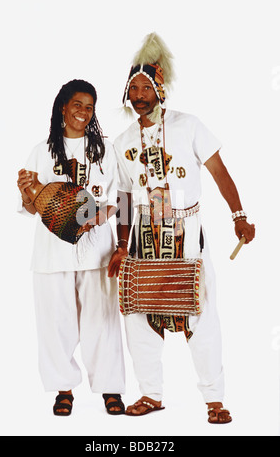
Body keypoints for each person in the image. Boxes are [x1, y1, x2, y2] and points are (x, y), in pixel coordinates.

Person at [108, 33, 255, 423]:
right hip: (143, 238)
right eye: (133, 87)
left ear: (159, 89)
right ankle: (151, 395)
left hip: (187, 233)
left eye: (146, 87)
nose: (139, 94)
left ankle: (214, 399)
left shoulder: (189, 126)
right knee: (138, 315)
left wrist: (238, 216)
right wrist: (122, 246)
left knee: (201, 313)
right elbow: (122, 199)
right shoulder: (123, 142)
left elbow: (220, 173)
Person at [17, 79, 125, 416]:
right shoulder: (42, 151)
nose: (82, 111)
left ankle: (110, 389)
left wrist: (96, 218)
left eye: (89, 106)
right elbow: (34, 208)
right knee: (54, 322)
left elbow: (119, 198)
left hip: (97, 250)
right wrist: (26, 192)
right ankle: (63, 389)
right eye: (76, 104)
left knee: (102, 321)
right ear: (63, 106)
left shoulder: (105, 150)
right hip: (52, 252)